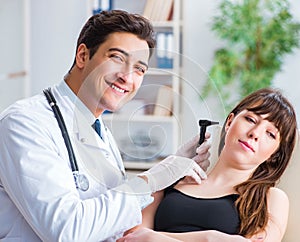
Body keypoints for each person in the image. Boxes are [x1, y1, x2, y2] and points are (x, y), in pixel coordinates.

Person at [0, 10, 211, 242]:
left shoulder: (99, 131)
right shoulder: (24, 123)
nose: (127, 77)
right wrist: (151, 179)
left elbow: (112, 224)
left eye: (139, 69)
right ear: (83, 55)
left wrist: (170, 172)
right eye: (117, 58)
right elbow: (68, 231)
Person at [118, 88, 298, 242]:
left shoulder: (270, 199)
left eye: (270, 134)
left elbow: (146, 238)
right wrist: (212, 239)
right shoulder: (170, 181)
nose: (255, 133)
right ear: (229, 122)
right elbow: (132, 238)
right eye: (251, 119)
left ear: (274, 155)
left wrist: (156, 238)